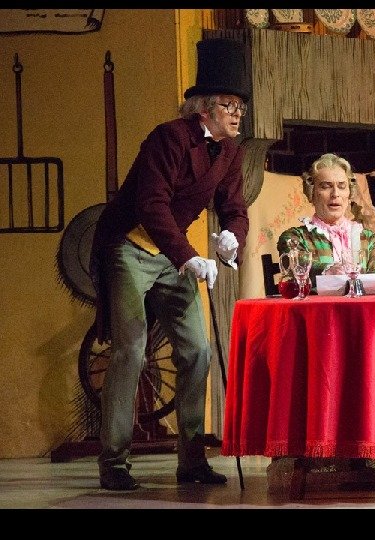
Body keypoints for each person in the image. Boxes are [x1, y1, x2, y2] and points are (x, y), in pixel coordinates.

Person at [89, 38, 250, 491]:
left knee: (197, 350)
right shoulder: (169, 137)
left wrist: (231, 239)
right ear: (204, 107)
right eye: (229, 105)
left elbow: (235, 208)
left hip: (172, 253)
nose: (237, 114)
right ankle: (114, 462)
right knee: (132, 349)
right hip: (129, 245)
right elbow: (152, 205)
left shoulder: (231, 151)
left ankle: (192, 461)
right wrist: (189, 257)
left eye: (241, 106)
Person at [277, 152, 375, 285]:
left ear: (349, 193)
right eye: (326, 186)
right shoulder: (295, 238)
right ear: (312, 193)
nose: (335, 194)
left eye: (342, 186)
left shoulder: (370, 240)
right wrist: (329, 271)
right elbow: (298, 268)